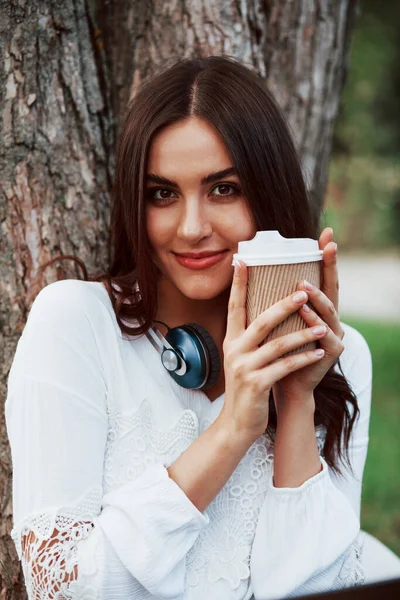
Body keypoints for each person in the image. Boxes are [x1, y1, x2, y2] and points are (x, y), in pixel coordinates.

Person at [5, 55, 385, 600]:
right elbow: (62, 589)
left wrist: (297, 399)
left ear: (269, 193)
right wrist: (233, 429)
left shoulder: (340, 355)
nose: (191, 228)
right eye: (162, 194)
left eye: (224, 189)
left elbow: (317, 589)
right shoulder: (75, 325)